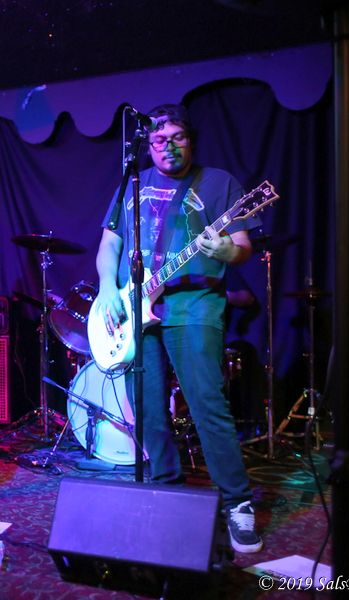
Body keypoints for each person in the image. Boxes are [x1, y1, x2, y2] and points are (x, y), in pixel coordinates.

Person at [92, 104, 263, 553]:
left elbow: (242, 246)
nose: (168, 147)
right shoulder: (134, 183)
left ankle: (238, 503)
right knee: (146, 408)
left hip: (194, 304)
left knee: (207, 403)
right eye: (158, 140)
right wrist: (108, 289)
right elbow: (110, 244)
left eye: (177, 138)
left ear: (191, 139)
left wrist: (226, 251)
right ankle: (166, 490)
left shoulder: (219, 183)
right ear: (147, 145)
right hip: (134, 307)